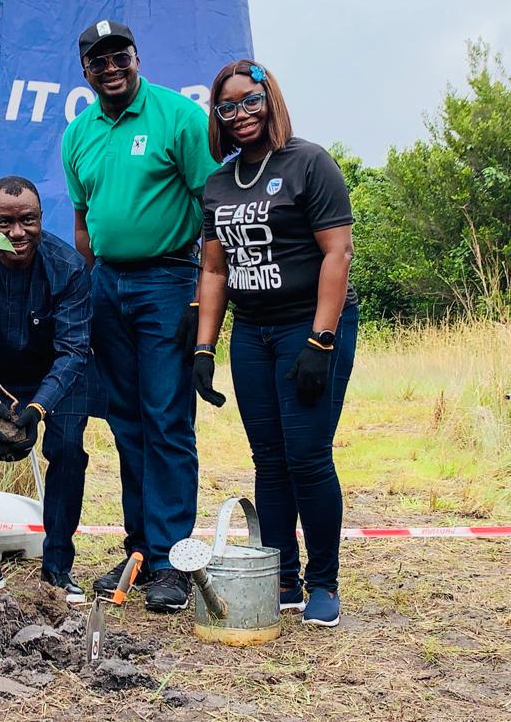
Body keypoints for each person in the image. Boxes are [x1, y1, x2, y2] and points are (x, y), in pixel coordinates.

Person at [60, 20, 220, 612]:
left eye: (119, 55)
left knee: (166, 420)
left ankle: (175, 562)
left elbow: (213, 210)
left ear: (135, 56)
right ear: (86, 71)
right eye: (97, 61)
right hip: (107, 285)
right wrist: (89, 288)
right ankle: (140, 553)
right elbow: (82, 223)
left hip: (168, 280)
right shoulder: (78, 132)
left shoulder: (178, 117)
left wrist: (201, 299)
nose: (110, 67)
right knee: (126, 421)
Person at [193, 59, 358, 628]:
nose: (240, 114)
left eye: (250, 101)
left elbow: (337, 253)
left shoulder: (308, 162)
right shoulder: (217, 183)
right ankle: (282, 575)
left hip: (306, 326)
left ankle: (324, 583)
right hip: (253, 332)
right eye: (227, 106)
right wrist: (203, 348)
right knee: (268, 460)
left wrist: (321, 339)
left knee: (307, 456)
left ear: (270, 102)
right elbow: (214, 272)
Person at [0, 176, 101, 603]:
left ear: (41, 219)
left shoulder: (68, 267)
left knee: (68, 450)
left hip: (56, 375)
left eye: (27, 220)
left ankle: (58, 569)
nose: (17, 233)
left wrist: (38, 408)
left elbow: (73, 351)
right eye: (5, 222)